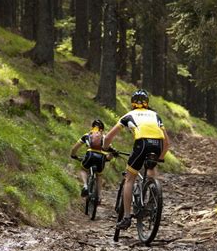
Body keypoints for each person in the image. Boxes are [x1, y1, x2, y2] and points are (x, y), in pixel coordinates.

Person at [103, 89, 170, 230]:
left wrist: (105, 147)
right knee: (151, 167)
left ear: (133, 103)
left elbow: (109, 137)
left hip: (142, 143)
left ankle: (127, 217)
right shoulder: (155, 115)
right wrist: (161, 158)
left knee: (129, 178)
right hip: (157, 144)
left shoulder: (128, 115)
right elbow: (167, 142)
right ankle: (153, 193)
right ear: (147, 103)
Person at [70, 119, 114, 202]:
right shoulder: (105, 138)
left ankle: (85, 185)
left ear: (92, 127)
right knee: (99, 175)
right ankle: (99, 196)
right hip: (101, 158)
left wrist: (73, 155)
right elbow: (111, 153)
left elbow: (74, 148)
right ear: (102, 129)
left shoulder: (87, 135)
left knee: (83, 169)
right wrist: (107, 158)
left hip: (89, 155)